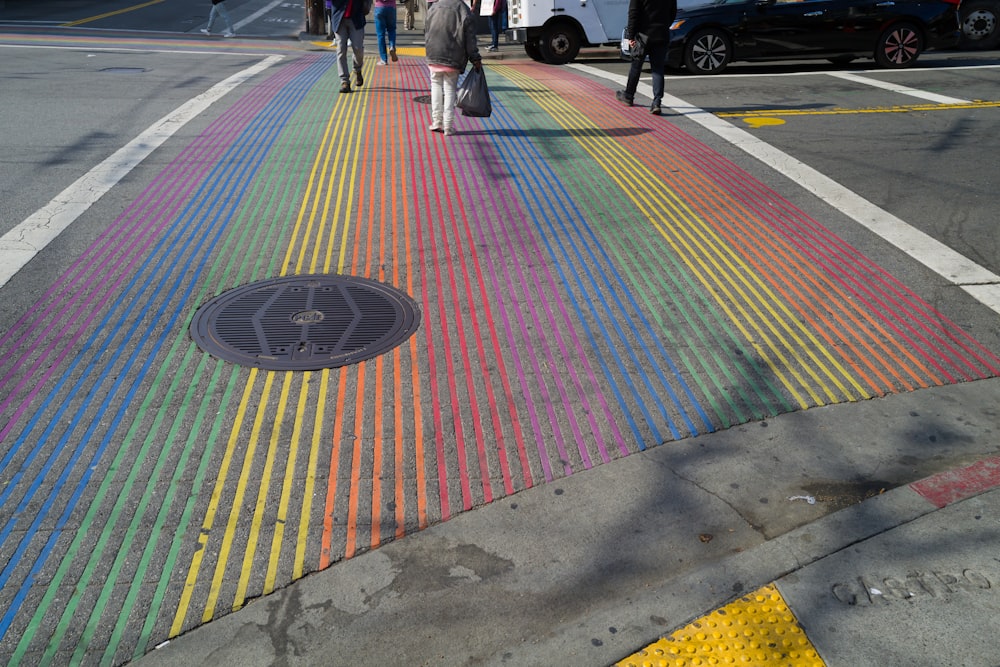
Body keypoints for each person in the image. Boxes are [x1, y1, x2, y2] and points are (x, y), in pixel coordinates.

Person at [424, 0, 482, 136]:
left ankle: (436, 121)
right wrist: (475, 58)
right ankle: (448, 126)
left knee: (436, 85)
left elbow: (426, 31)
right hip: (453, 56)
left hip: (433, 53)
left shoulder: (434, 7)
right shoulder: (463, 10)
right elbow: (470, 40)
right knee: (450, 90)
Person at [616, 0, 676, 115]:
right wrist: (663, 26)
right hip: (661, 34)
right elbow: (672, 13)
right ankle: (657, 102)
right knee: (658, 69)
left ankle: (629, 95)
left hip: (642, 35)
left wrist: (631, 36)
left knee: (636, 66)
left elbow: (633, 13)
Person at [330, 0, 372, 93]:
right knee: (341, 49)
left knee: (358, 49)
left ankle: (357, 69)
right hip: (339, 17)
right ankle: (344, 81)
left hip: (356, 18)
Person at [373, 0, 398, 64]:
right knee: (392, 30)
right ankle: (392, 46)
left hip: (379, 7)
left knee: (380, 34)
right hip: (391, 7)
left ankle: (383, 59)